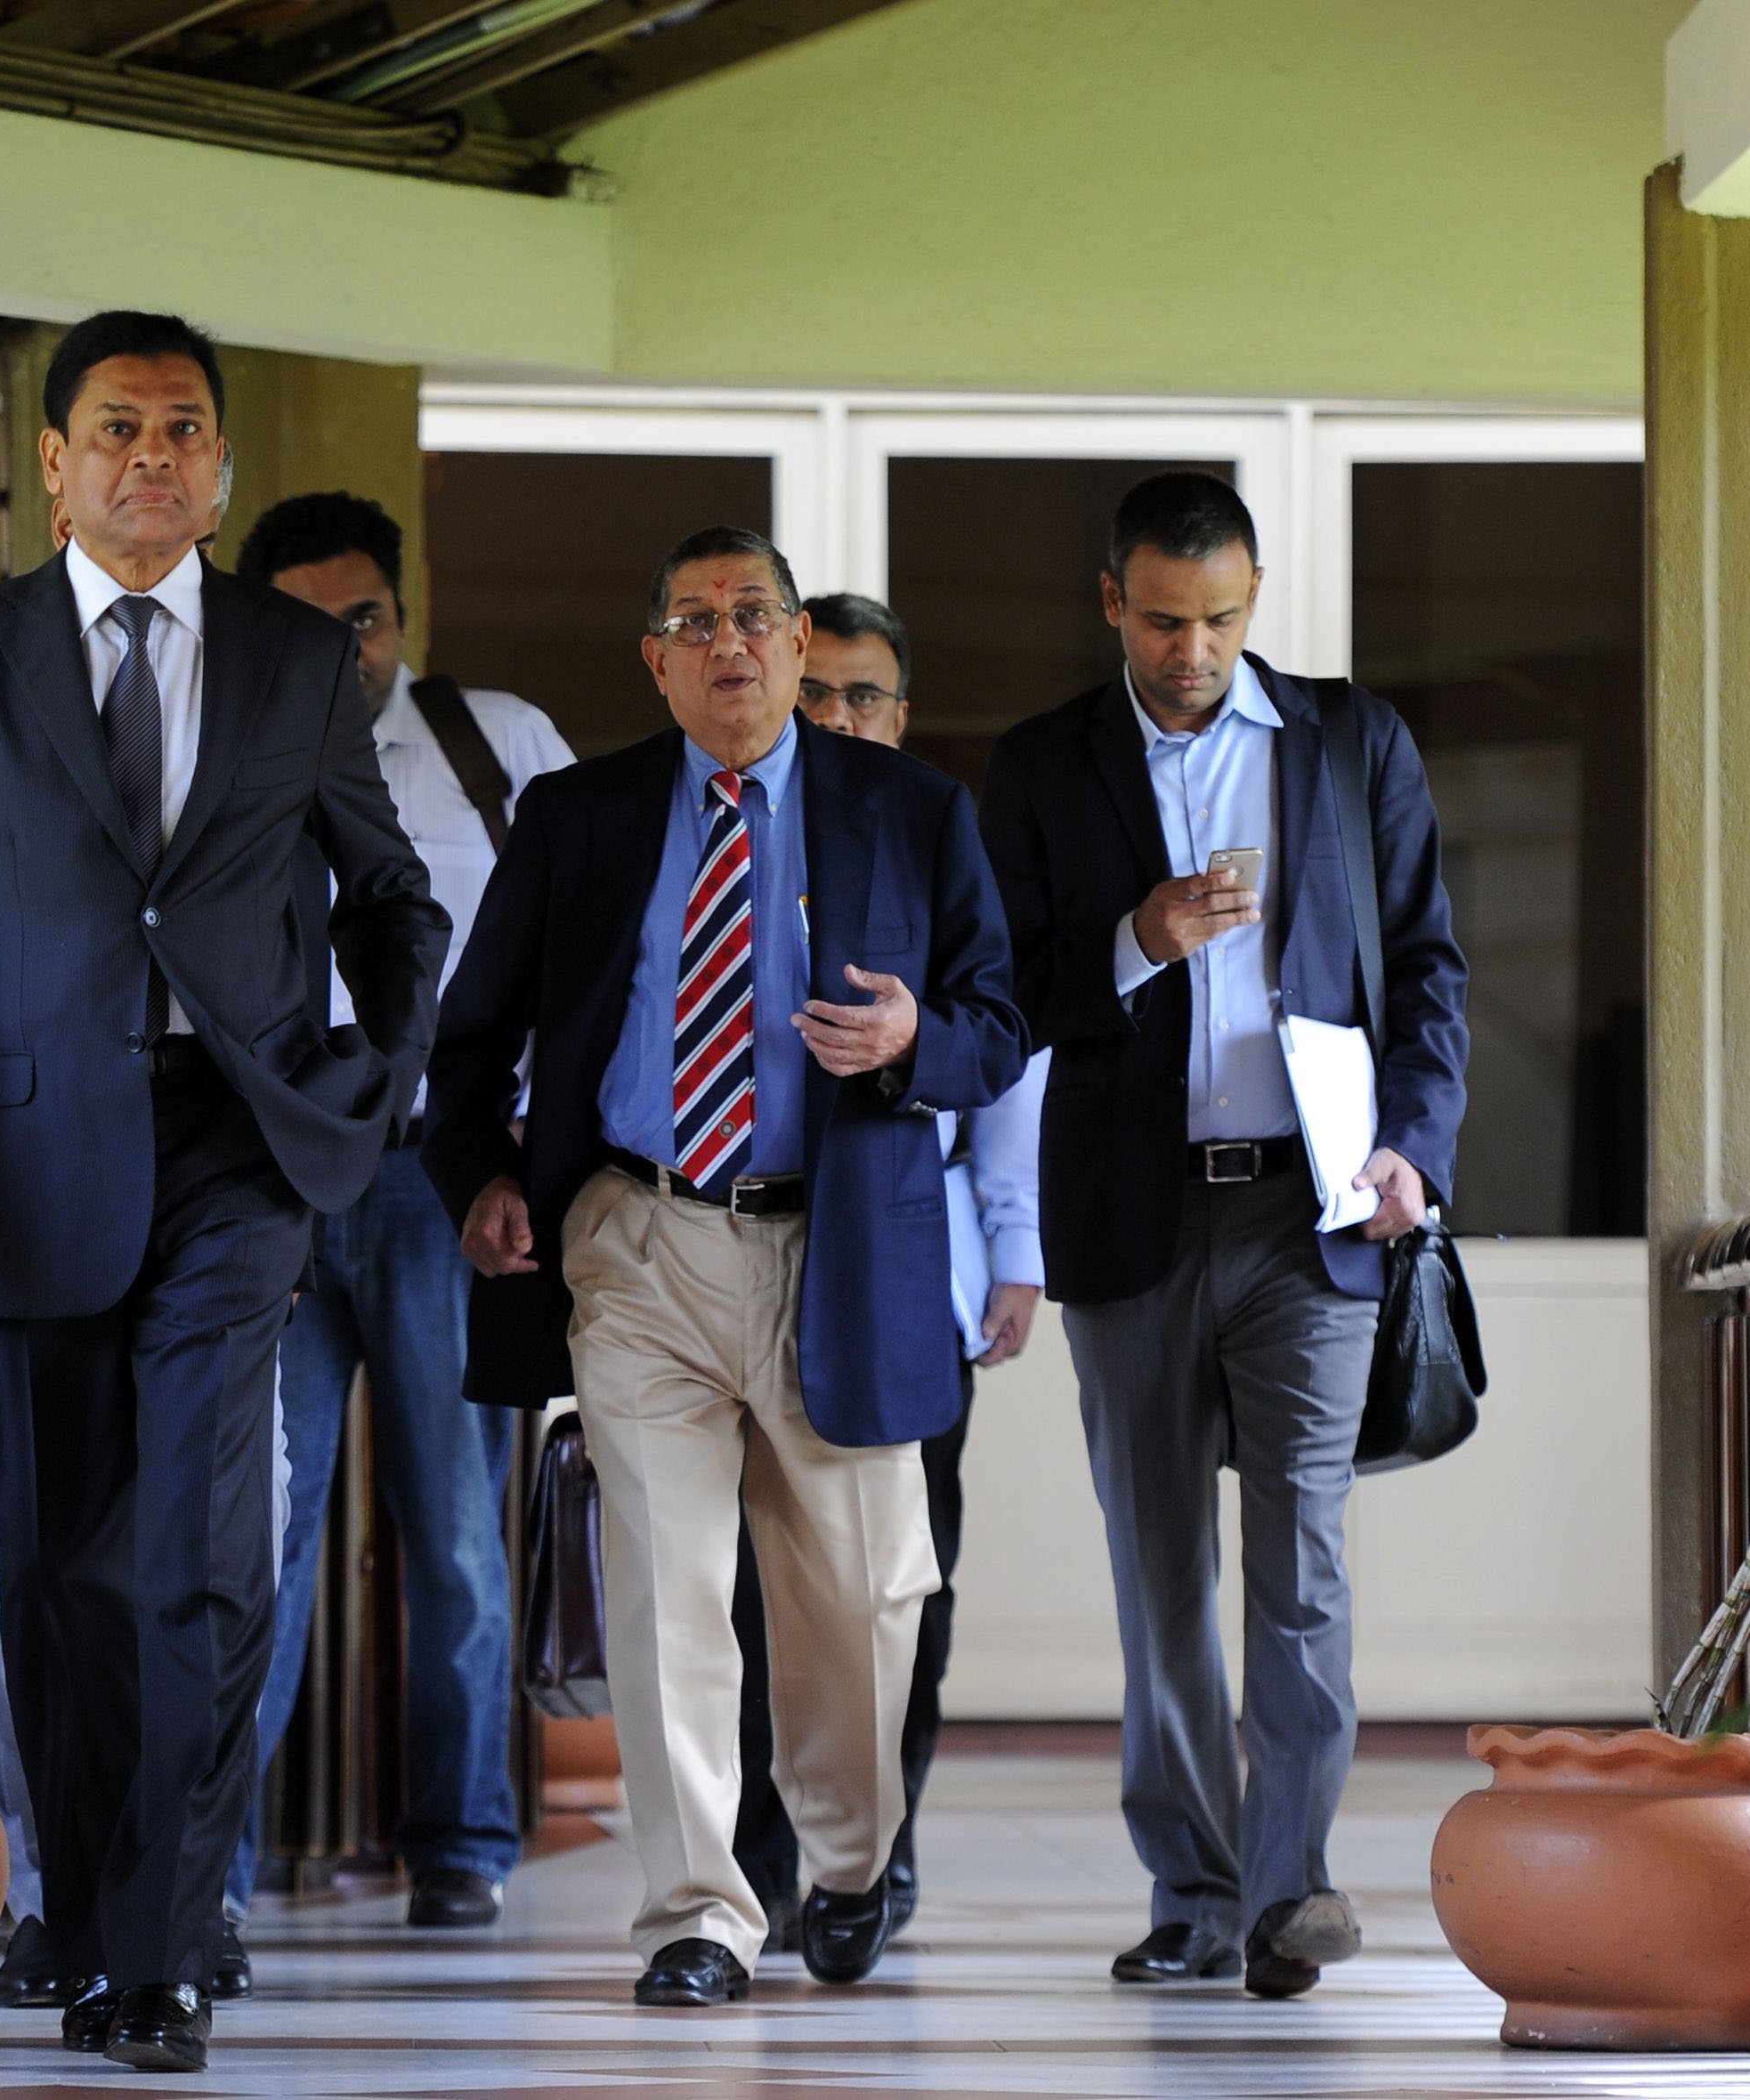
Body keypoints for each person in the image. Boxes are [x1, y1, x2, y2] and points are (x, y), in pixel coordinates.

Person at [0, 310, 448, 2072]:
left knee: (199, 1555)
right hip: (11, 1164)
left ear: (219, 466)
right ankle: (87, 1917)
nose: (151, 456)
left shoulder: (293, 664)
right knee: (56, 1575)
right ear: (52, 461)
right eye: (117, 429)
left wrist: (358, 1084)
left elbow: (396, 906)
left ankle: (164, 1945)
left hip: (235, 1157)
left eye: (182, 430)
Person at [424, 526, 1025, 2009]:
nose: (730, 643)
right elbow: (472, 1028)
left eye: (755, 614)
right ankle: (698, 1910)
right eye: (696, 623)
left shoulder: (912, 807)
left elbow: (998, 1027)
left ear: (803, 639)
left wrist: (910, 1046)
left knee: (862, 1602)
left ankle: (847, 1857)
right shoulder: (582, 814)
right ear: (657, 661)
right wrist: (483, 1176)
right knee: (668, 1587)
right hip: (639, 1234)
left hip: (842, 1246)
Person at [977, 472, 1466, 2001]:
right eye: (1169, 619)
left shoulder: (1348, 739)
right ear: (1111, 602)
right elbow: (1002, 994)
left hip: (1303, 1213)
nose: (1198, 649)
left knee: (1302, 1559)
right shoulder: (1043, 763)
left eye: (1225, 618)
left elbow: (1427, 970)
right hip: (1128, 1215)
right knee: (1162, 1569)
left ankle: (1289, 1890)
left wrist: (1413, 1152)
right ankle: (1190, 1887)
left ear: (1255, 602)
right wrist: (1142, 939)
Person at [218, 491, 576, 1965]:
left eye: (360, 617)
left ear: (401, 618)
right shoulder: (218, 760)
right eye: (306, 622)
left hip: (448, 1183)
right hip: (279, 1191)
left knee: (456, 1539)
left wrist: (533, 1171)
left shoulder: (499, 746)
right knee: (262, 1537)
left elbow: (583, 957)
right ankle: (218, 1858)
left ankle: (464, 1847)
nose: (340, 647)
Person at [727, 593, 1050, 1950]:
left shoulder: (929, 823)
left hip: (916, 1267)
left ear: (900, 715)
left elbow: (1005, 1046)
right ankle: (755, 1858)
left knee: (896, 1574)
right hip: (736, 1249)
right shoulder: (748, 831)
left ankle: (878, 1841)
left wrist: (1017, 1249)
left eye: (866, 699)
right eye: (822, 697)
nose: (840, 719)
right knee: (750, 1581)